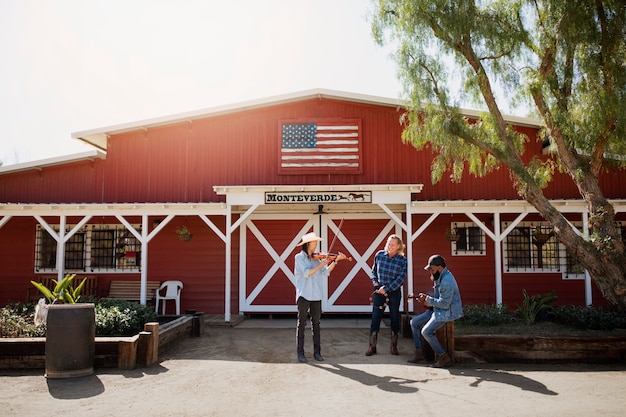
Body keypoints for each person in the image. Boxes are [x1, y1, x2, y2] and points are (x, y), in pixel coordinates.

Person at [294, 231, 347, 363]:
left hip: (316, 295)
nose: (316, 244)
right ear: (308, 244)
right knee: (301, 324)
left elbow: (326, 272)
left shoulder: (317, 258)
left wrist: (335, 261)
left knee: (316, 324)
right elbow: (307, 273)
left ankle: (317, 353)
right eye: (314, 242)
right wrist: (323, 263)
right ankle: (300, 353)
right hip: (304, 294)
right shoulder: (299, 258)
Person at [407, 254, 463, 368]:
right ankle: (419, 353)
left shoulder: (447, 281)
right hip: (438, 309)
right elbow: (436, 297)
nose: (430, 272)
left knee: (426, 332)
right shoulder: (440, 276)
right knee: (414, 323)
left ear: (440, 267)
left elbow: (444, 304)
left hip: (448, 311)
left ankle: (444, 357)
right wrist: (425, 299)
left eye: (432, 269)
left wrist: (428, 300)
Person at [366, 234, 407, 356]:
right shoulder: (379, 255)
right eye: (389, 244)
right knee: (375, 317)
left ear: (398, 246)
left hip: (394, 292)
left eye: (393, 245)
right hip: (379, 292)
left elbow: (401, 279)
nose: (390, 246)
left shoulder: (402, 261)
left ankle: (394, 345)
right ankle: (372, 346)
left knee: (394, 317)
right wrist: (375, 283)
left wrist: (387, 288)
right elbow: (373, 272)